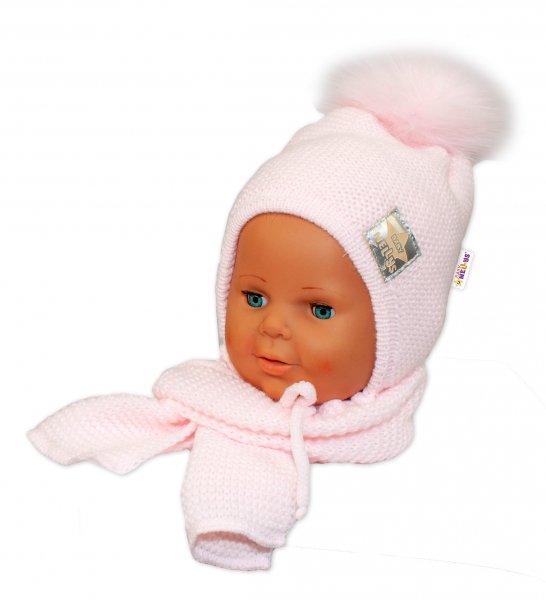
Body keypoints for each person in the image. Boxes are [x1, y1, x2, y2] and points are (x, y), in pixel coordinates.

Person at [28, 50, 509, 570]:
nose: (273, 327)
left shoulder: (424, 495)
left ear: (404, 327)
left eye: (319, 310)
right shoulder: (205, 395)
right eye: (254, 298)